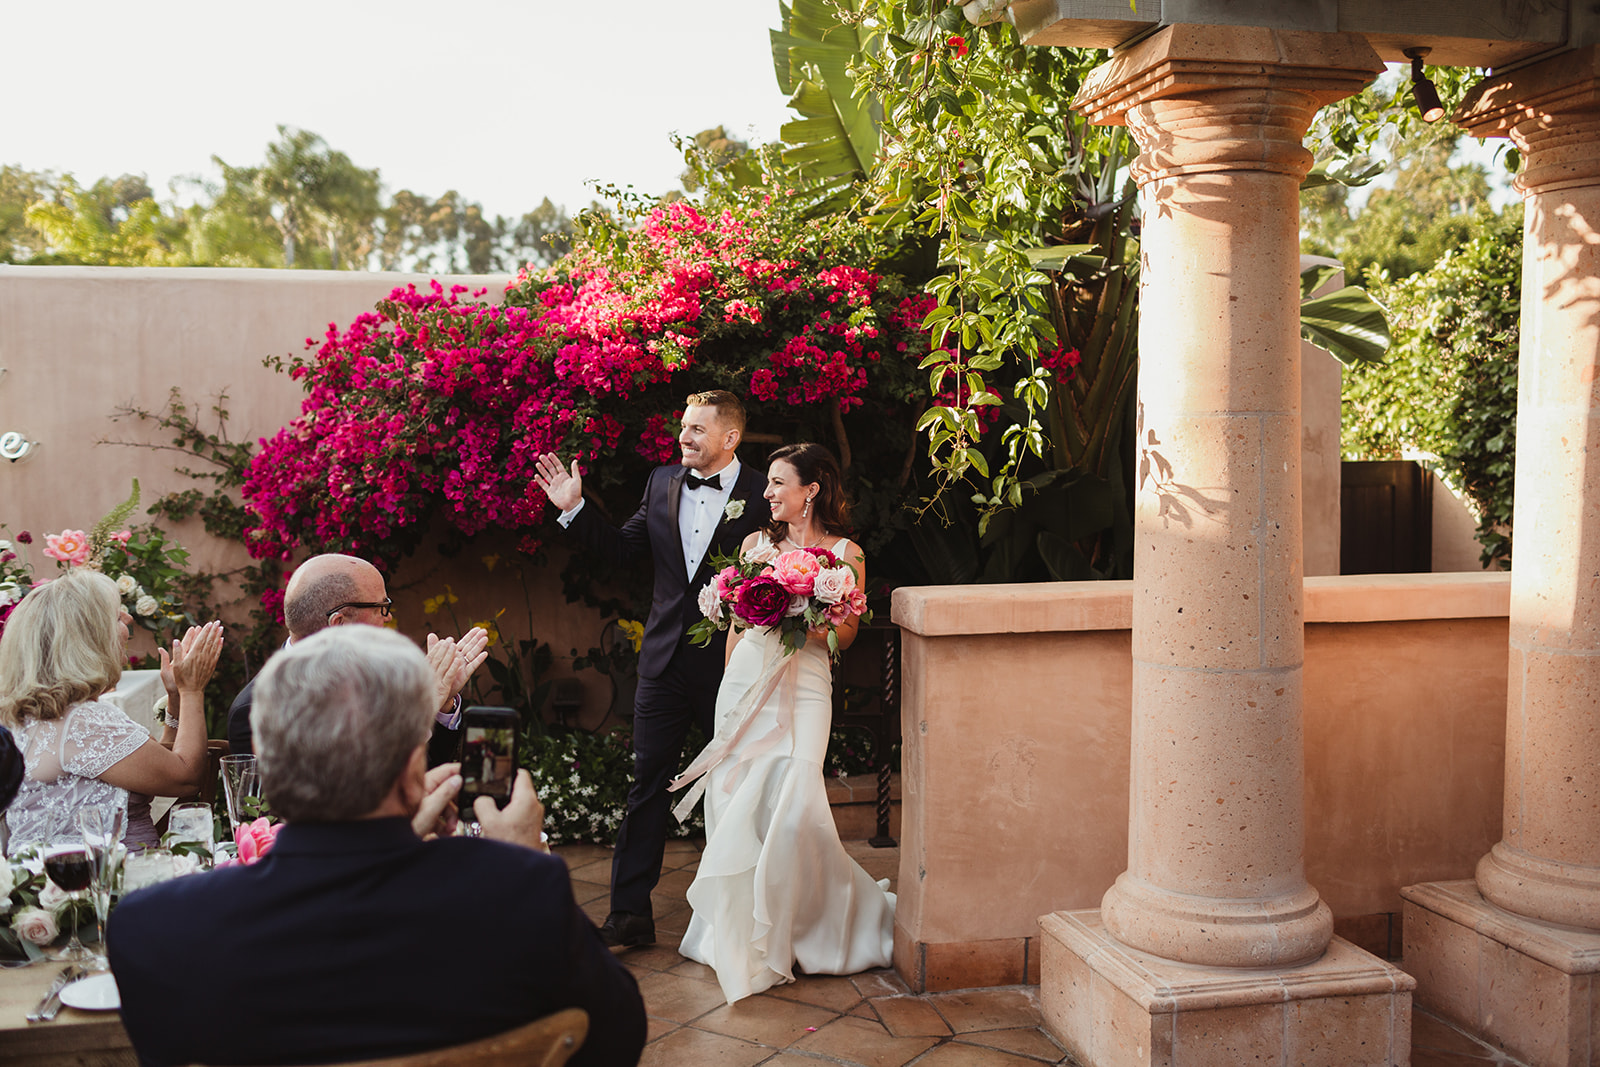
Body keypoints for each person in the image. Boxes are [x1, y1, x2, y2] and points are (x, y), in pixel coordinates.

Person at [110, 626, 647, 1067]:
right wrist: (522, 859)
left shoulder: (152, 929)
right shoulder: (518, 891)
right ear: (415, 769)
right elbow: (618, 1037)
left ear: (266, 770)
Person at [534, 390, 770, 948]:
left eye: (696, 430)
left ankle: (745, 917)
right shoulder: (661, 481)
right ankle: (630, 917)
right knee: (647, 787)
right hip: (663, 664)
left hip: (733, 662)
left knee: (740, 785)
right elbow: (621, 550)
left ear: (730, 438)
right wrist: (574, 508)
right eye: (682, 428)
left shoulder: (765, 492)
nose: (683, 438)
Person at [674, 442, 895, 1003]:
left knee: (795, 803)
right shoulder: (754, 545)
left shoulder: (847, 553)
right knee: (735, 800)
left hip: (806, 684)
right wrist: (731, 697)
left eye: (776, 483)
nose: (766, 492)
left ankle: (805, 929)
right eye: (767, 483)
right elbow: (734, 627)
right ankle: (741, 931)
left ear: (810, 490)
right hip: (747, 682)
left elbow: (844, 638)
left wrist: (806, 609)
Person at [0, 569, 223, 852]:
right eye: (117, 617)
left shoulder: (37, 715)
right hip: (109, 885)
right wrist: (193, 690)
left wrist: (176, 698)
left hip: (50, 885)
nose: (129, 618)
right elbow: (185, 777)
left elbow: (159, 763)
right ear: (87, 639)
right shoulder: (81, 721)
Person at [226, 553, 487, 767]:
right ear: (339, 624)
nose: (387, 617)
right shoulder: (255, 710)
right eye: (381, 607)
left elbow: (426, 774)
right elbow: (333, 805)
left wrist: (443, 704)